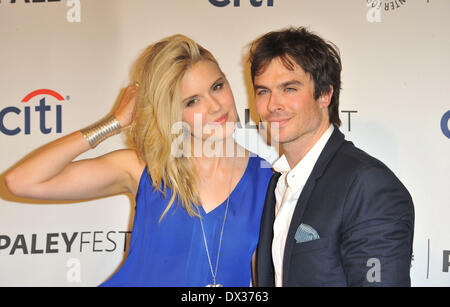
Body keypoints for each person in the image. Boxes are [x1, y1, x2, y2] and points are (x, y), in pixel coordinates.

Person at [4, 34, 273, 287]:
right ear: (170, 112)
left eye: (217, 86)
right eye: (192, 101)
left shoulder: (268, 182)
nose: (215, 106)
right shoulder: (144, 169)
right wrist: (114, 122)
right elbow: (21, 182)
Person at [249, 27, 415, 287]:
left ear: (325, 94)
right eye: (263, 91)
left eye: (289, 89)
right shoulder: (278, 183)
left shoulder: (367, 185)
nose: (272, 105)